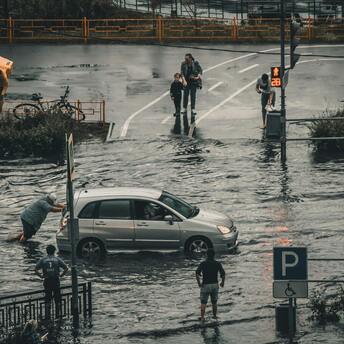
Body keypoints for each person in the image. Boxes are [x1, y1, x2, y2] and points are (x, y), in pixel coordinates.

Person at [35, 245, 69, 318]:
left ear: (47, 251)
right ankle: (58, 315)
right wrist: (61, 275)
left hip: (47, 280)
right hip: (55, 280)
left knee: (47, 299)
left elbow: (36, 269)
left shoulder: (43, 260)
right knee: (57, 299)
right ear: (54, 251)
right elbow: (66, 268)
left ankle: (48, 316)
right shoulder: (57, 259)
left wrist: (41, 276)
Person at [196, 248, 225, 321]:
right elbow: (223, 274)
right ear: (214, 255)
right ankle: (215, 316)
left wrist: (199, 283)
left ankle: (202, 317)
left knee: (203, 302)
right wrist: (222, 282)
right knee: (214, 302)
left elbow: (197, 273)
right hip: (215, 284)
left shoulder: (203, 263)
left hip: (205, 285)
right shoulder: (217, 263)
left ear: (206, 255)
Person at [180, 53, 203, 131]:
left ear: (190, 58)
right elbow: (182, 73)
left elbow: (200, 70)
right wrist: (183, 80)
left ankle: (193, 108)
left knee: (193, 95)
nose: (185, 60)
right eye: (185, 59)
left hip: (193, 82)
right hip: (186, 82)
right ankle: (184, 108)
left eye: (187, 59)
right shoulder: (183, 64)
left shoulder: (195, 63)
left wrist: (198, 76)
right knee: (185, 95)